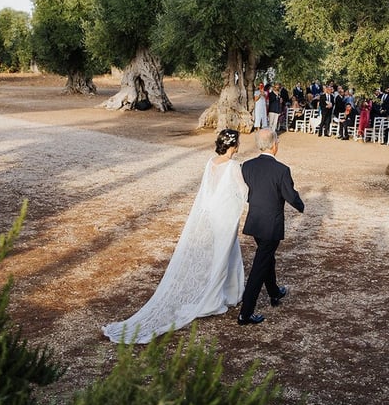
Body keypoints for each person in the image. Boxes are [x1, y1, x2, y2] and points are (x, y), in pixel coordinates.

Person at [103, 129, 248, 343]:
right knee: (221, 257)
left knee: (228, 252)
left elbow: (207, 191)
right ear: (233, 145)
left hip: (211, 213)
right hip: (224, 216)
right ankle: (212, 300)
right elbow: (243, 191)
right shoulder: (234, 166)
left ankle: (232, 292)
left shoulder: (211, 162)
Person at [237, 129, 305, 325]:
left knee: (266, 258)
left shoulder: (247, 166)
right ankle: (245, 313)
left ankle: (274, 292)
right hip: (271, 226)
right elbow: (290, 195)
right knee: (260, 266)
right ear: (274, 144)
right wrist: (301, 206)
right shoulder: (281, 170)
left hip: (255, 222)